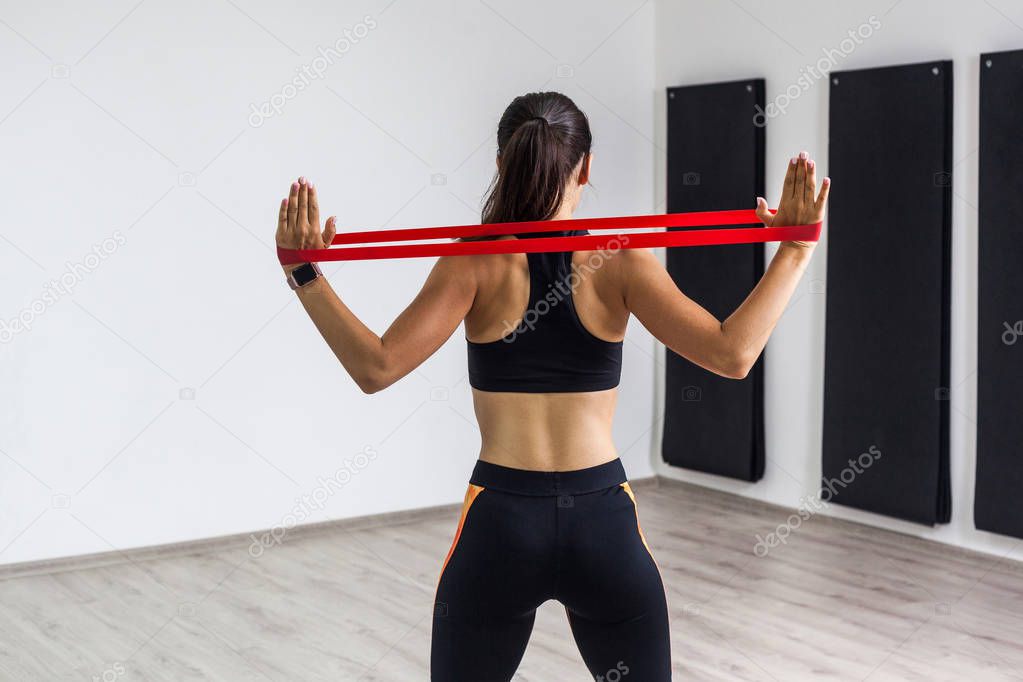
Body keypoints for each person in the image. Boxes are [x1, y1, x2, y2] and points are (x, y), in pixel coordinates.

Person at [273, 91, 829, 681]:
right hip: (603, 524)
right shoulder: (619, 259)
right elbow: (732, 354)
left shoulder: (472, 264)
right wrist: (795, 250)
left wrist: (304, 272)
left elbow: (376, 368)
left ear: (500, 164)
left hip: (501, 524)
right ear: (586, 167)